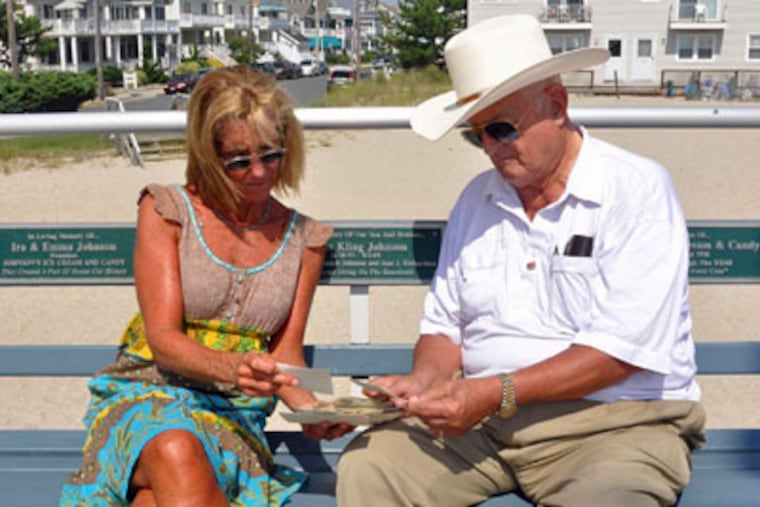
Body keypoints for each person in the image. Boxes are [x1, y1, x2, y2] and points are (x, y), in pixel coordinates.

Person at [337, 15, 706, 507]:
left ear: (556, 105)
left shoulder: (636, 188)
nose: (490, 149)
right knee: (369, 468)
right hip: (482, 427)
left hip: (616, 425)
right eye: (476, 135)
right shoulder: (476, 200)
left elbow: (623, 350)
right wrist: (421, 386)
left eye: (502, 128)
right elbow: (445, 328)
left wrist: (493, 392)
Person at [60, 66, 352, 506]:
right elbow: (164, 342)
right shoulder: (167, 210)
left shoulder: (304, 239)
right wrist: (235, 369)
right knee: (175, 446)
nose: (258, 172)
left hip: (232, 416)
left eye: (271, 155)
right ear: (207, 154)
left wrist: (309, 411)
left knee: (155, 495)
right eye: (239, 160)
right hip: (146, 393)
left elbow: (286, 355)